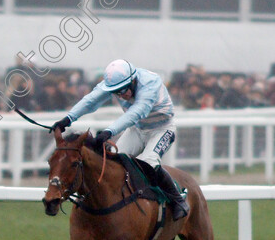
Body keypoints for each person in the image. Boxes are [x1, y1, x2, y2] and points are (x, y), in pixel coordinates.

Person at [51, 59, 189, 220]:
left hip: (161, 129)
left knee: (148, 162)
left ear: (133, 80)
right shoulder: (116, 83)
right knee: (112, 162)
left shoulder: (150, 83)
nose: (121, 95)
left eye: (123, 90)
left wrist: (109, 132)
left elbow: (136, 112)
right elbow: (91, 100)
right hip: (137, 129)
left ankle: (178, 200)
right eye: (116, 92)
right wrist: (67, 119)